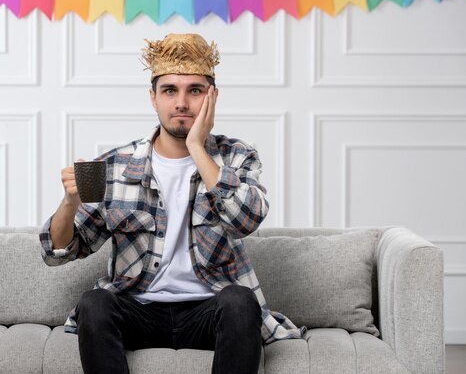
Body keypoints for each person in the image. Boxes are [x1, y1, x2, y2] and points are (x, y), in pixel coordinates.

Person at [39, 33, 305, 374]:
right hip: (138, 310)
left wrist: (197, 146)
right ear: (153, 98)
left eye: (194, 90)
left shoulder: (237, 157)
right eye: (169, 91)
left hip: (209, 310)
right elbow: (57, 251)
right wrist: (70, 202)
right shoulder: (116, 165)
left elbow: (245, 220)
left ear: (213, 96)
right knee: (94, 303)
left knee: (240, 301)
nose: (181, 102)